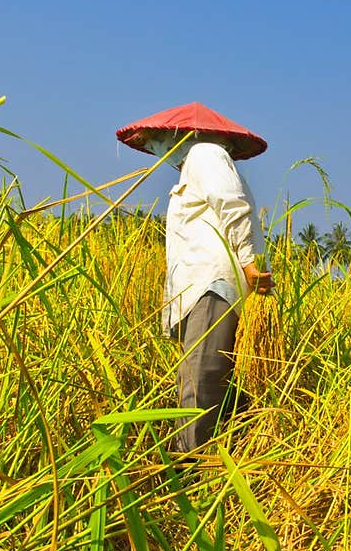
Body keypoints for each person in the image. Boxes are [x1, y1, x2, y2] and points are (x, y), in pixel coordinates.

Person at [115, 102, 273, 456]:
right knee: (202, 379)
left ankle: (191, 468)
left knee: (200, 383)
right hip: (199, 289)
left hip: (212, 287)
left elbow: (231, 204)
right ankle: (231, 453)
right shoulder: (197, 165)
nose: (155, 147)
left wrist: (248, 262)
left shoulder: (206, 153)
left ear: (180, 135)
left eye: (158, 139)